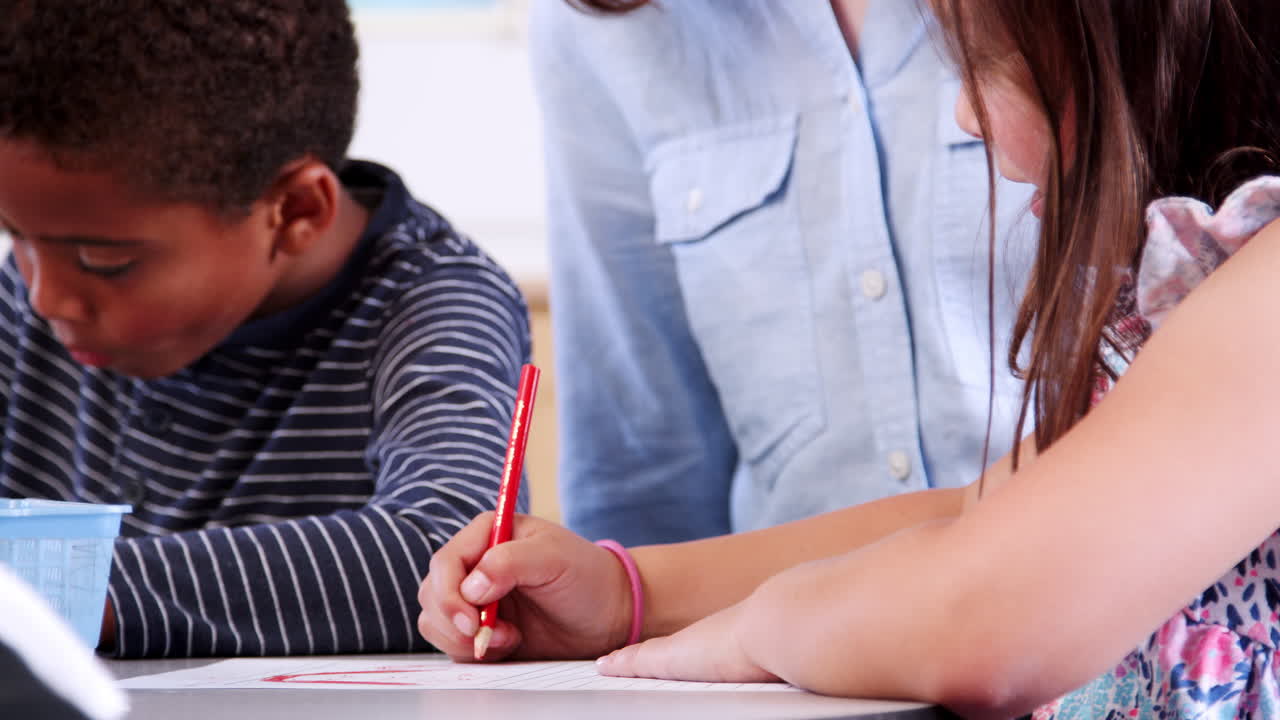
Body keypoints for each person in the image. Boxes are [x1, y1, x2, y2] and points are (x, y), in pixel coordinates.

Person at [421, 0, 1280, 716]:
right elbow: (973, 516)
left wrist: (762, 629)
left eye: (984, 61)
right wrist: (622, 594)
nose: (964, 114)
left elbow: (982, 612)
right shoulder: (1189, 312)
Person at [0, 0, 530, 659]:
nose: (47, 297)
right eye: (16, 238)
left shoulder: (435, 301)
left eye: (109, 262)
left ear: (296, 210)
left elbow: (455, 553)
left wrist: (62, 591)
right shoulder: (28, 287)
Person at [532, 0, 1037, 545]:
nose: (969, 111)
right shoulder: (593, 31)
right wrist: (622, 599)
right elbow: (641, 476)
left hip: (1092, 606)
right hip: (782, 621)